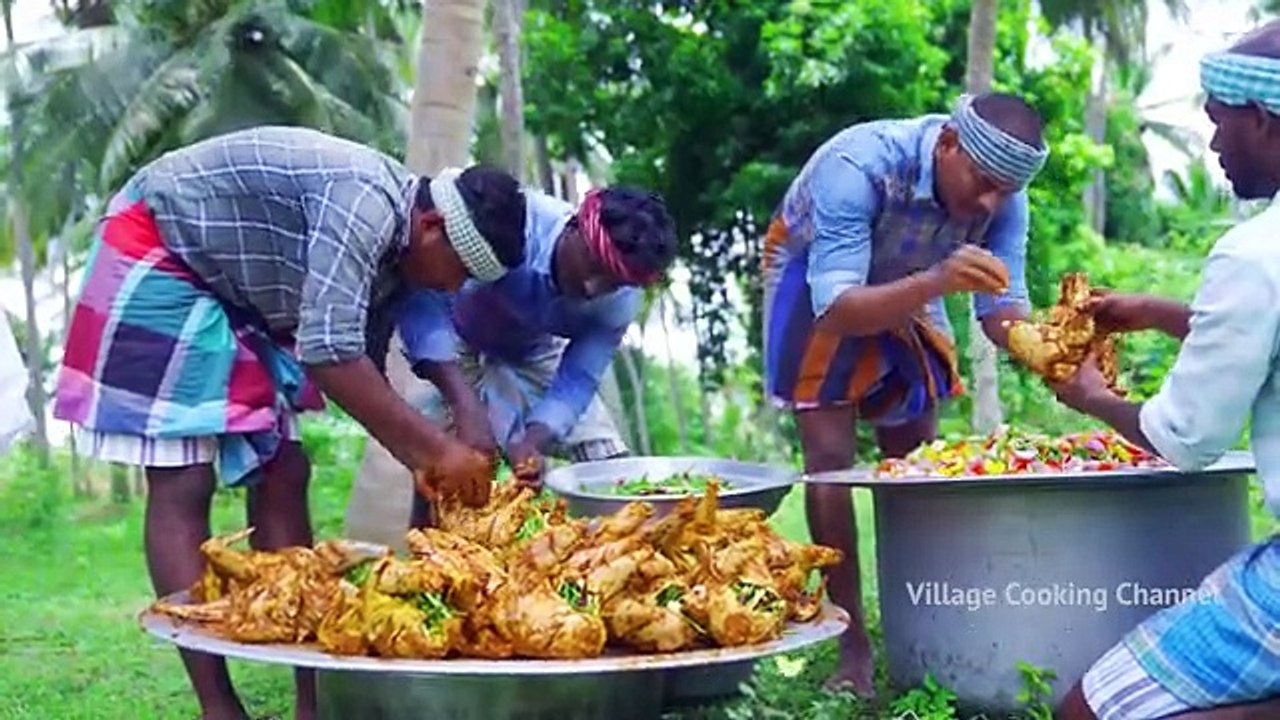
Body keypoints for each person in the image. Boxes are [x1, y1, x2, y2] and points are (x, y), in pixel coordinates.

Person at [51, 125, 527, 720]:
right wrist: (432, 454)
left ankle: (312, 697)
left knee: (285, 471)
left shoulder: (410, 240)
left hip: (233, 291)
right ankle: (217, 705)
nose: (455, 287)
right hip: (164, 249)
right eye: (457, 271)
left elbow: (415, 323)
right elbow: (329, 354)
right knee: (184, 479)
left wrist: (468, 416)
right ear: (431, 228)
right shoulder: (363, 205)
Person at [761, 92, 1049, 695]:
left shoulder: (1005, 196)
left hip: (915, 277)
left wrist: (1055, 351)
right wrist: (938, 281)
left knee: (916, 458)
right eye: (983, 182)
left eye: (1005, 190)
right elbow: (837, 309)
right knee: (829, 460)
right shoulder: (859, 166)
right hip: (818, 272)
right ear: (947, 144)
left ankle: (924, 624)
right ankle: (850, 643)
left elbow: (1002, 309)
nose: (991, 202)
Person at [1050, 24, 1280, 720]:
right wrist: (1157, 311)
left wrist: (1092, 398)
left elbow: (1187, 438)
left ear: (1265, 121)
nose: (1213, 147)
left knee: (1082, 713)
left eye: (1219, 123)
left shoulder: (1253, 253)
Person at [343, 185, 678, 534]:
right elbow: (424, 301)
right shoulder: (515, 220)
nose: (594, 288)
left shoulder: (620, 300)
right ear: (574, 225)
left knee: (607, 460)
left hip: (535, 349)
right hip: (455, 340)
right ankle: (433, 563)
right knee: (447, 466)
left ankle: (608, 561)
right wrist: (464, 403)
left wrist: (532, 440)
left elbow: (578, 378)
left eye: (612, 283)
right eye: (594, 266)